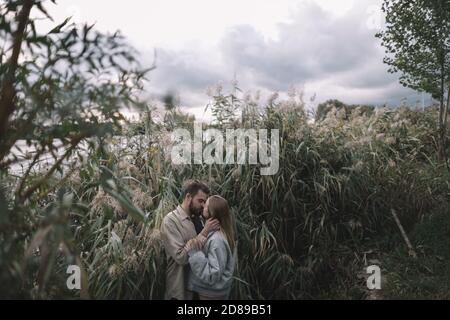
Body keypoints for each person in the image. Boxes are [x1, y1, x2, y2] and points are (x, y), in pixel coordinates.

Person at [160, 180, 220, 300]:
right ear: (188, 197)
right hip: (181, 293)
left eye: (205, 202)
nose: (203, 205)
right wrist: (204, 233)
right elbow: (181, 257)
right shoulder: (170, 221)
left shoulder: (200, 219)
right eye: (200, 201)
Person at [185, 195, 236, 300]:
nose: (203, 206)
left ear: (212, 212)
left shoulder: (217, 240)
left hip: (212, 294)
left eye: (206, 205)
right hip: (212, 292)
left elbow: (213, 274)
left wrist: (194, 253)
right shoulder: (216, 234)